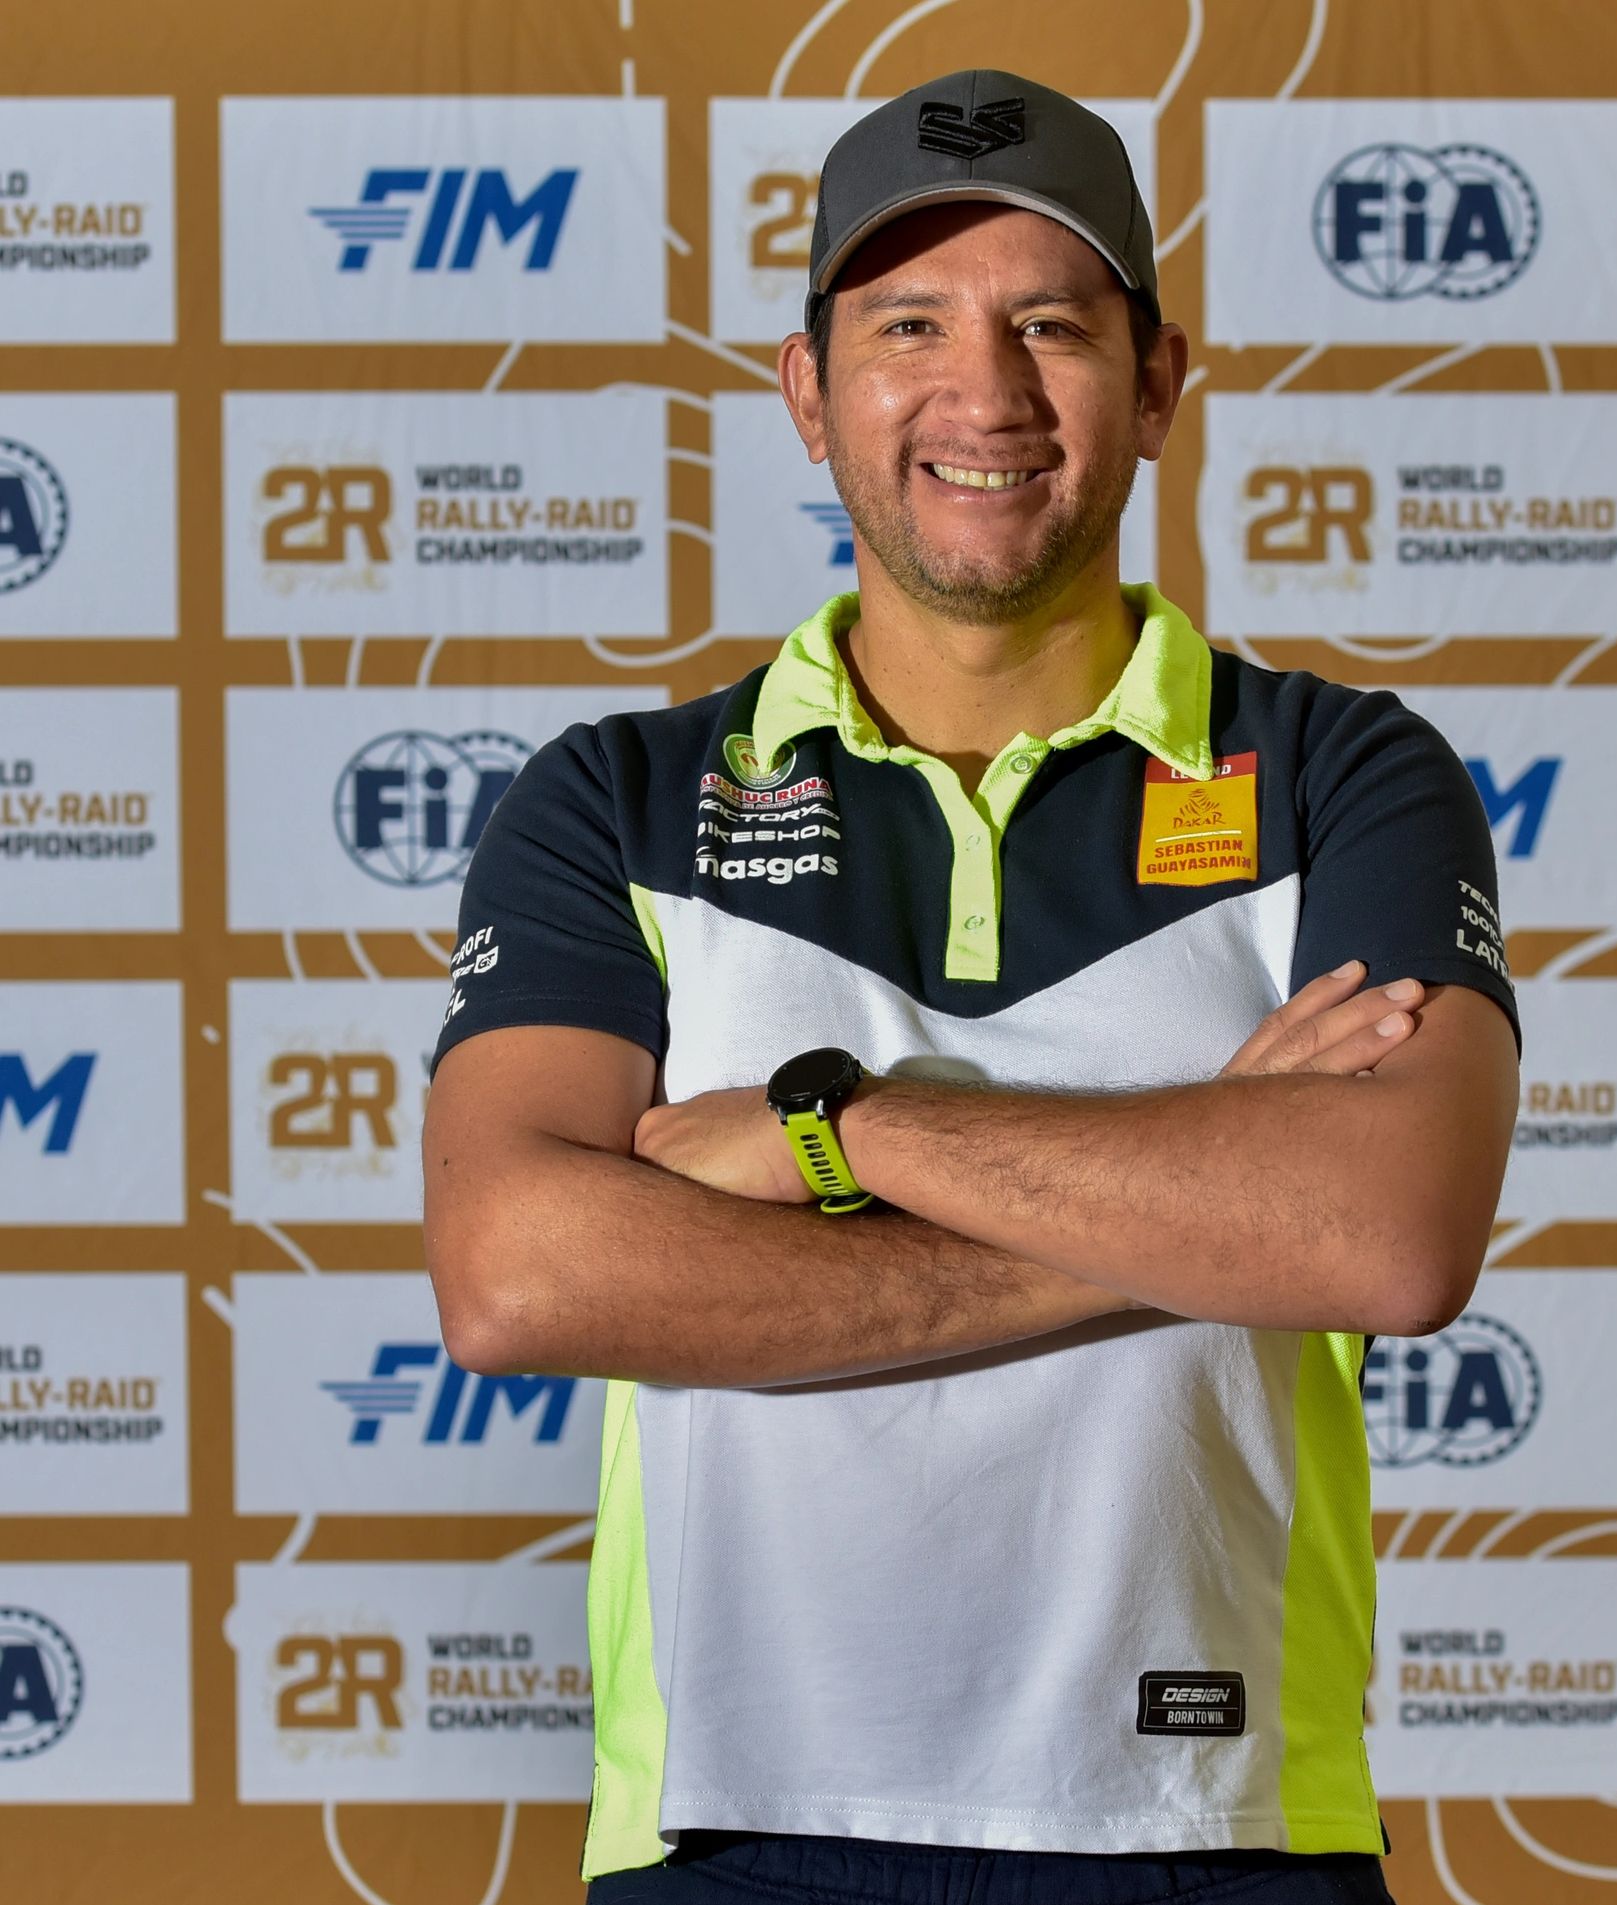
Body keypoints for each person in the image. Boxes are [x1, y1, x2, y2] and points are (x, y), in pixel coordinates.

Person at [423, 68, 1519, 1905]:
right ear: (808, 391)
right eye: (910, 325)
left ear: (1156, 383)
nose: (984, 393)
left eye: (1052, 326)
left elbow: (1387, 1238)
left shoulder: (1341, 773)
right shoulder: (617, 796)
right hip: (735, 1830)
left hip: (1215, 1826)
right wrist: (1210, 1192)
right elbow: (518, 1274)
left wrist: (842, 1129)